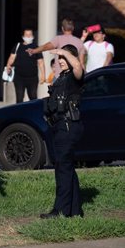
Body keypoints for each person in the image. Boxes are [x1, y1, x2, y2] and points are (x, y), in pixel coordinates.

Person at [40, 44, 85, 218]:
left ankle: (60, 211)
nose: (61, 61)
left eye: (64, 58)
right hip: (58, 126)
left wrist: (64, 51)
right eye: (59, 59)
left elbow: (78, 66)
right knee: (64, 167)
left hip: (68, 126)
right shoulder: (61, 78)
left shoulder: (75, 77)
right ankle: (75, 210)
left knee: (63, 168)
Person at [5, 28, 45, 103]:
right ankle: (19, 114)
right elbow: (12, 57)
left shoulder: (36, 47)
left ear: (33, 36)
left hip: (32, 78)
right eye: (26, 35)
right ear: (23, 36)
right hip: (19, 78)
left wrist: (43, 75)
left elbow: (41, 62)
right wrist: (8, 65)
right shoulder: (18, 46)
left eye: (30, 35)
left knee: (33, 98)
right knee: (19, 98)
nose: (28, 37)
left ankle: (33, 114)